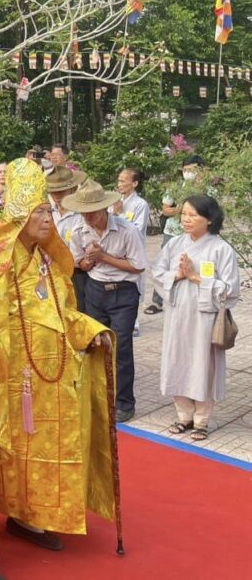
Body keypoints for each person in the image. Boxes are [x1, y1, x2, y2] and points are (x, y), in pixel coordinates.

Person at [0, 158, 115, 550]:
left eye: (49, 209)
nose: (48, 217)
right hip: (19, 377)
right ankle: (20, 514)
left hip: (56, 378)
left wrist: (91, 331)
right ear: (20, 216)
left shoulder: (48, 259)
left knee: (52, 449)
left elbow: (64, 312)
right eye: (39, 211)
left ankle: (43, 513)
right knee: (19, 450)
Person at [153, 195, 240, 442]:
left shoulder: (221, 249)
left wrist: (196, 278)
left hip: (205, 317)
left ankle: (201, 420)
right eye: (184, 215)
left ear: (209, 220)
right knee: (177, 360)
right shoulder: (174, 245)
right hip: (178, 314)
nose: (186, 220)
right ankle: (183, 416)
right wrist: (178, 275)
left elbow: (231, 290)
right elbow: (158, 273)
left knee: (204, 364)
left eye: (193, 215)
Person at [63, 180, 147, 423]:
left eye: (93, 214)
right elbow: (79, 264)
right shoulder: (79, 231)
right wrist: (89, 260)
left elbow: (138, 266)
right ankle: (98, 398)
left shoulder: (126, 231)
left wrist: (104, 256)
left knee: (120, 347)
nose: (89, 219)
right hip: (95, 290)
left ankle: (124, 403)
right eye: (84, 214)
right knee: (95, 345)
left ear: (105, 209)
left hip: (123, 292)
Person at [147, 155, 206, 315]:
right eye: (185, 170)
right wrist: (181, 210)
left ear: (201, 170)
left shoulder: (208, 189)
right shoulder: (176, 187)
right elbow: (166, 209)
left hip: (198, 235)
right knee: (165, 264)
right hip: (173, 232)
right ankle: (157, 301)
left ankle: (195, 299)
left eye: (192, 170)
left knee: (196, 265)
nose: (188, 173)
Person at [46, 165, 88, 311]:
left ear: (73, 189)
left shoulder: (83, 214)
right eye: (53, 192)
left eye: (61, 191)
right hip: (52, 271)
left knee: (79, 311)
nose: (56, 196)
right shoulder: (47, 212)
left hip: (78, 273)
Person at [113, 168, 150, 334]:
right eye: (119, 180)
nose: (119, 184)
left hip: (134, 250)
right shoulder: (114, 201)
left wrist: (120, 214)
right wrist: (114, 212)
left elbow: (137, 229)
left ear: (134, 183)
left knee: (135, 284)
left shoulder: (140, 205)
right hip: (116, 250)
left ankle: (134, 322)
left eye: (123, 181)